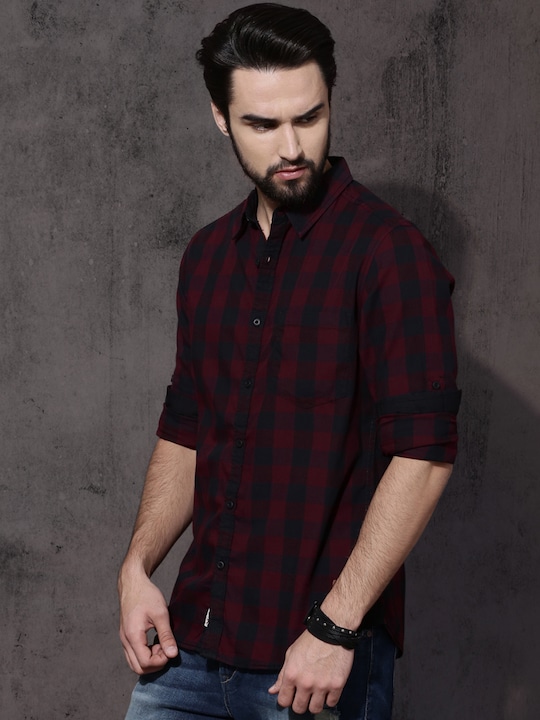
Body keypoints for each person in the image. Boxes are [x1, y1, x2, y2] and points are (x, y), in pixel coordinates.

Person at [118, 4, 461, 719]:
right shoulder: (207, 257)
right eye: (263, 124)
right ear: (221, 118)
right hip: (189, 649)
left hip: (312, 666)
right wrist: (137, 567)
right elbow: (186, 430)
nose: (292, 146)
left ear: (330, 99)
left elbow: (424, 456)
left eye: (310, 117)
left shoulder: (389, 255)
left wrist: (337, 626)